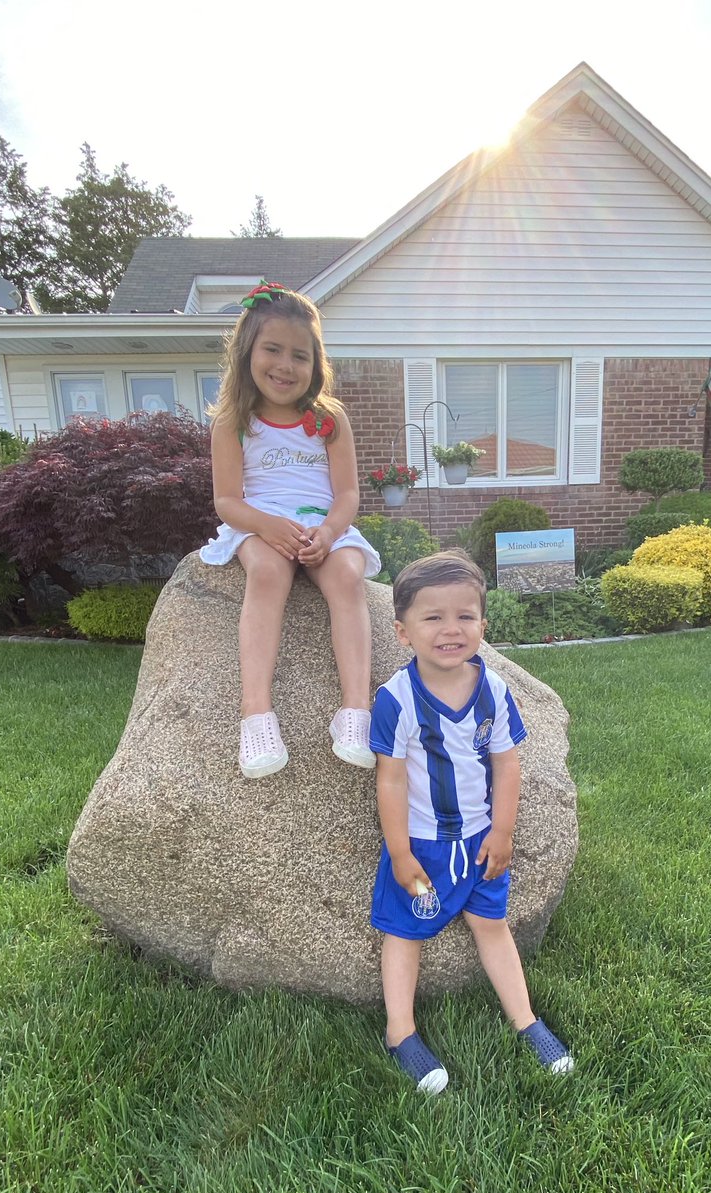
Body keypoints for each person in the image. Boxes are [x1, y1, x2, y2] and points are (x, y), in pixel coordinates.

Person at [370, 549, 573, 1093]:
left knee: (492, 925)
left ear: (484, 624)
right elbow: (389, 779)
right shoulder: (395, 699)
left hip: (482, 841)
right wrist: (399, 852)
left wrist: (502, 832)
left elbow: (507, 764)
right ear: (403, 631)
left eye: (465, 616)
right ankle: (400, 1030)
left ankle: (525, 1020)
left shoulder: (495, 690)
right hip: (422, 847)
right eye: (432, 617)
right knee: (405, 933)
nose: (450, 629)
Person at [200, 281, 380, 779]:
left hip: (321, 524)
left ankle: (355, 712)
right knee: (267, 575)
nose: (285, 365)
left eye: (299, 355)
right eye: (272, 349)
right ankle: (256, 714)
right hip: (259, 522)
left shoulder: (329, 419)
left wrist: (328, 531)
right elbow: (227, 500)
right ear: (247, 353)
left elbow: (347, 495)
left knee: (348, 576)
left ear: (316, 362)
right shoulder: (233, 421)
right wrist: (267, 527)